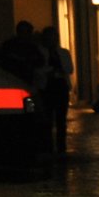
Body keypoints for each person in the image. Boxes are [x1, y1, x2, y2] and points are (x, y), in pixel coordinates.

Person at [37, 25, 73, 157]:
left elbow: (69, 68)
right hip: (46, 86)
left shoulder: (63, 53)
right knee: (47, 118)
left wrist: (59, 71)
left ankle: (61, 147)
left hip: (60, 85)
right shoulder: (40, 52)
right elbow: (37, 69)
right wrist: (49, 72)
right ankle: (48, 147)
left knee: (61, 118)